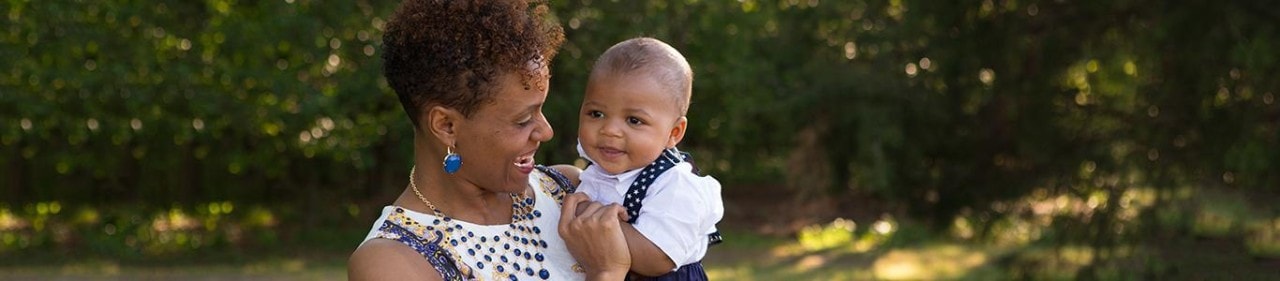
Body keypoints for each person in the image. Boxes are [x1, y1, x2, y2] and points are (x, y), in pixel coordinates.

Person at [347, 0, 632, 280]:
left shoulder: (570, 191)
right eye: (522, 120)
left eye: (540, 109)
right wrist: (606, 273)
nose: (546, 132)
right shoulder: (393, 262)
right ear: (446, 126)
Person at [574, 37, 724, 280]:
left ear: (673, 133)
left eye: (634, 120)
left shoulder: (675, 185)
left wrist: (590, 216)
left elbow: (657, 258)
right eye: (596, 113)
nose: (610, 130)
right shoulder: (599, 168)